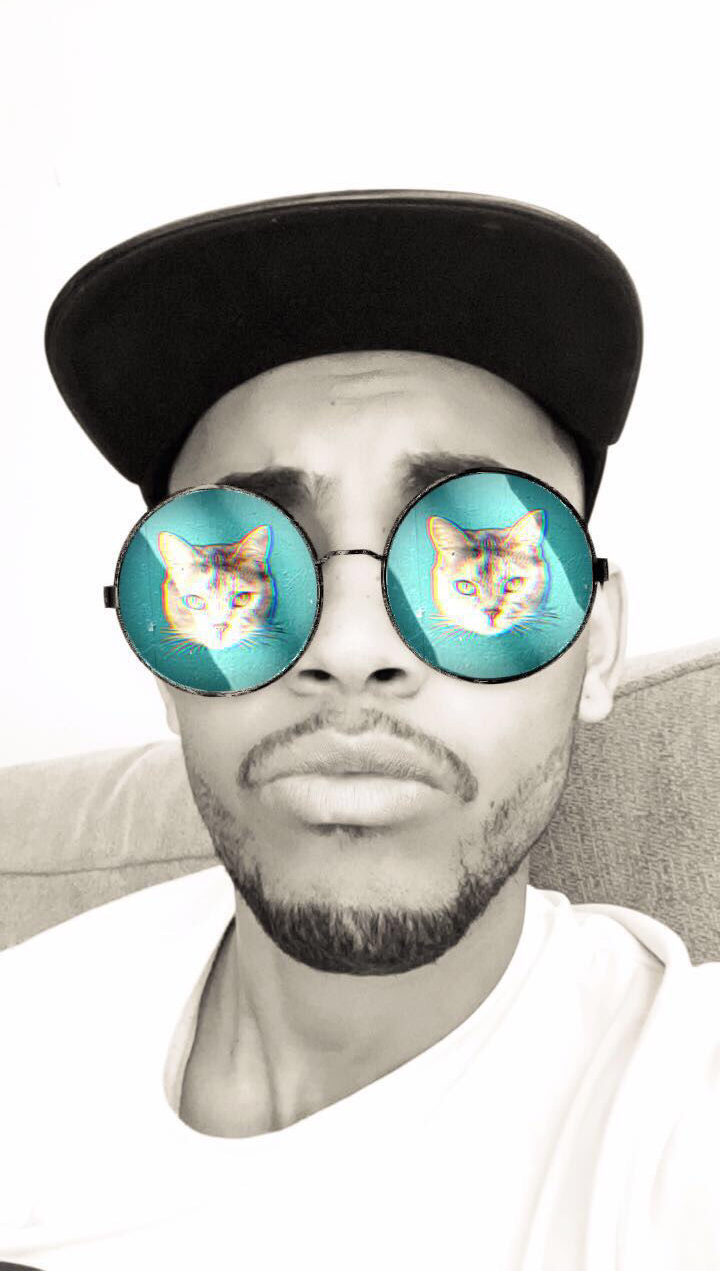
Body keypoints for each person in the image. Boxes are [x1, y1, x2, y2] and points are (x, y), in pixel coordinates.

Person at [1, 191, 718, 1270]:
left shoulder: (678, 1119)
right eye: (239, 574)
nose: (346, 644)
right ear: (162, 665)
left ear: (599, 647)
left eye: (482, 554)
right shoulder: (24, 1035)